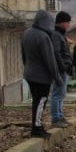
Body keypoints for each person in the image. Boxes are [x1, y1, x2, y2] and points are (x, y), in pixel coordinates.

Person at [22, 9, 62, 139]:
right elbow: (50, 60)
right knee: (41, 101)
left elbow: (23, 55)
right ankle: (37, 127)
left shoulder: (27, 33)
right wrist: (57, 77)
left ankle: (37, 125)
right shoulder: (43, 37)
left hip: (29, 73)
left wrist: (27, 67)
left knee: (36, 101)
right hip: (41, 76)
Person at [50, 11, 73, 128]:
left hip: (64, 68)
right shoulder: (56, 35)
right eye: (68, 22)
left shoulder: (61, 35)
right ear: (62, 22)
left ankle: (60, 115)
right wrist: (63, 67)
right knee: (57, 94)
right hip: (60, 69)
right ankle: (56, 118)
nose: (69, 25)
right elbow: (57, 53)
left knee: (61, 94)